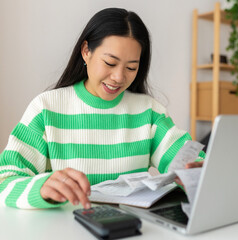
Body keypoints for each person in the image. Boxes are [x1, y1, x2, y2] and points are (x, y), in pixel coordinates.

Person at [0, 8, 204, 210]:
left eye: (131, 68)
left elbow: (189, 161)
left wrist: (197, 172)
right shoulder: (46, 109)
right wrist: (40, 188)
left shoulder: (149, 112)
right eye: (110, 62)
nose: (118, 77)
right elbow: (5, 181)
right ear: (86, 51)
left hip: (131, 229)